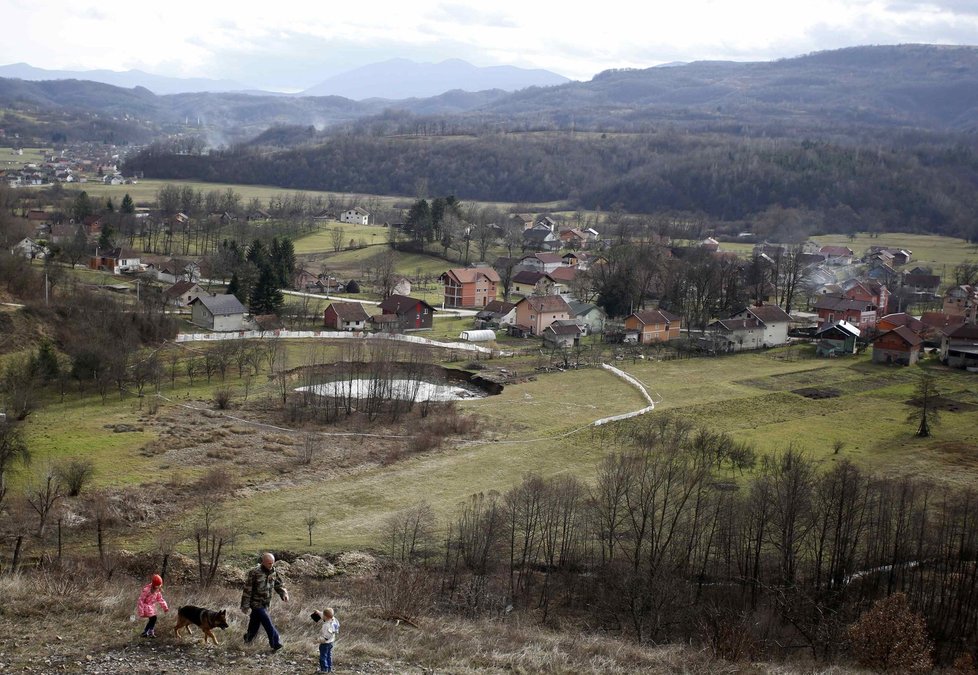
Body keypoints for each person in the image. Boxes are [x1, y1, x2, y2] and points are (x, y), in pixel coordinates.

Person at [241, 552, 289, 651]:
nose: (271, 565)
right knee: (267, 621)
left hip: (266, 603)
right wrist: (245, 605)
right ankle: (275, 643)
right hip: (256, 603)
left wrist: (284, 594)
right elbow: (247, 589)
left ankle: (248, 638)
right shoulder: (254, 572)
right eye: (269, 563)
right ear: (263, 562)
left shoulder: (274, 572)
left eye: (272, 563)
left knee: (254, 623)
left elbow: (279, 585)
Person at [136, 573, 169, 638]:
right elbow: (141, 600)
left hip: (151, 607)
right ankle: (150, 632)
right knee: (154, 618)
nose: (159, 586)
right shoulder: (147, 590)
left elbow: (160, 599)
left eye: (160, 585)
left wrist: (165, 607)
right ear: (154, 584)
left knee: (152, 619)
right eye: (157, 585)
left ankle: (145, 632)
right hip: (146, 607)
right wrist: (141, 611)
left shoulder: (157, 590)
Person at [316, 607, 340, 673]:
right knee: (329, 656)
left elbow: (326, 638)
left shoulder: (326, 626)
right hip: (331, 642)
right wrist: (318, 612)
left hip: (325, 644)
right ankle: (329, 668)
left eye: (323, 615)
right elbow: (325, 615)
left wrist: (317, 640)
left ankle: (324, 670)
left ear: (325, 617)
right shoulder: (334, 620)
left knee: (323, 657)